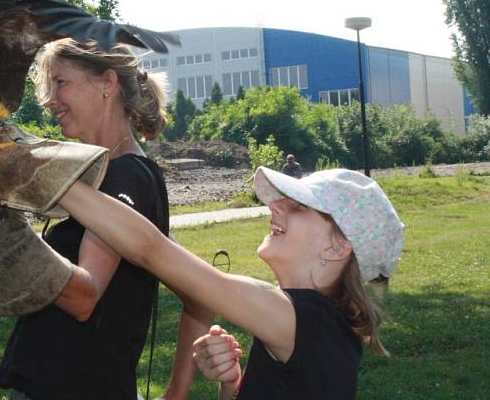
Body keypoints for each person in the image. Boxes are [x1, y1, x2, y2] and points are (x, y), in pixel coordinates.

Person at [58, 165, 404, 399]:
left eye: (298, 208)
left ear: (337, 246)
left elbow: (152, 251)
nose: (275, 208)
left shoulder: (303, 318)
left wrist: (54, 179)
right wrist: (231, 383)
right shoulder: (315, 324)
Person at [0, 38, 211, 400]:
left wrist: (15, 240)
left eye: (60, 83)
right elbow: (201, 294)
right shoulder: (108, 173)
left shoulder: (127, 176)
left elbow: (84, 297)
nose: (49, 100)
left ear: (107, 84)